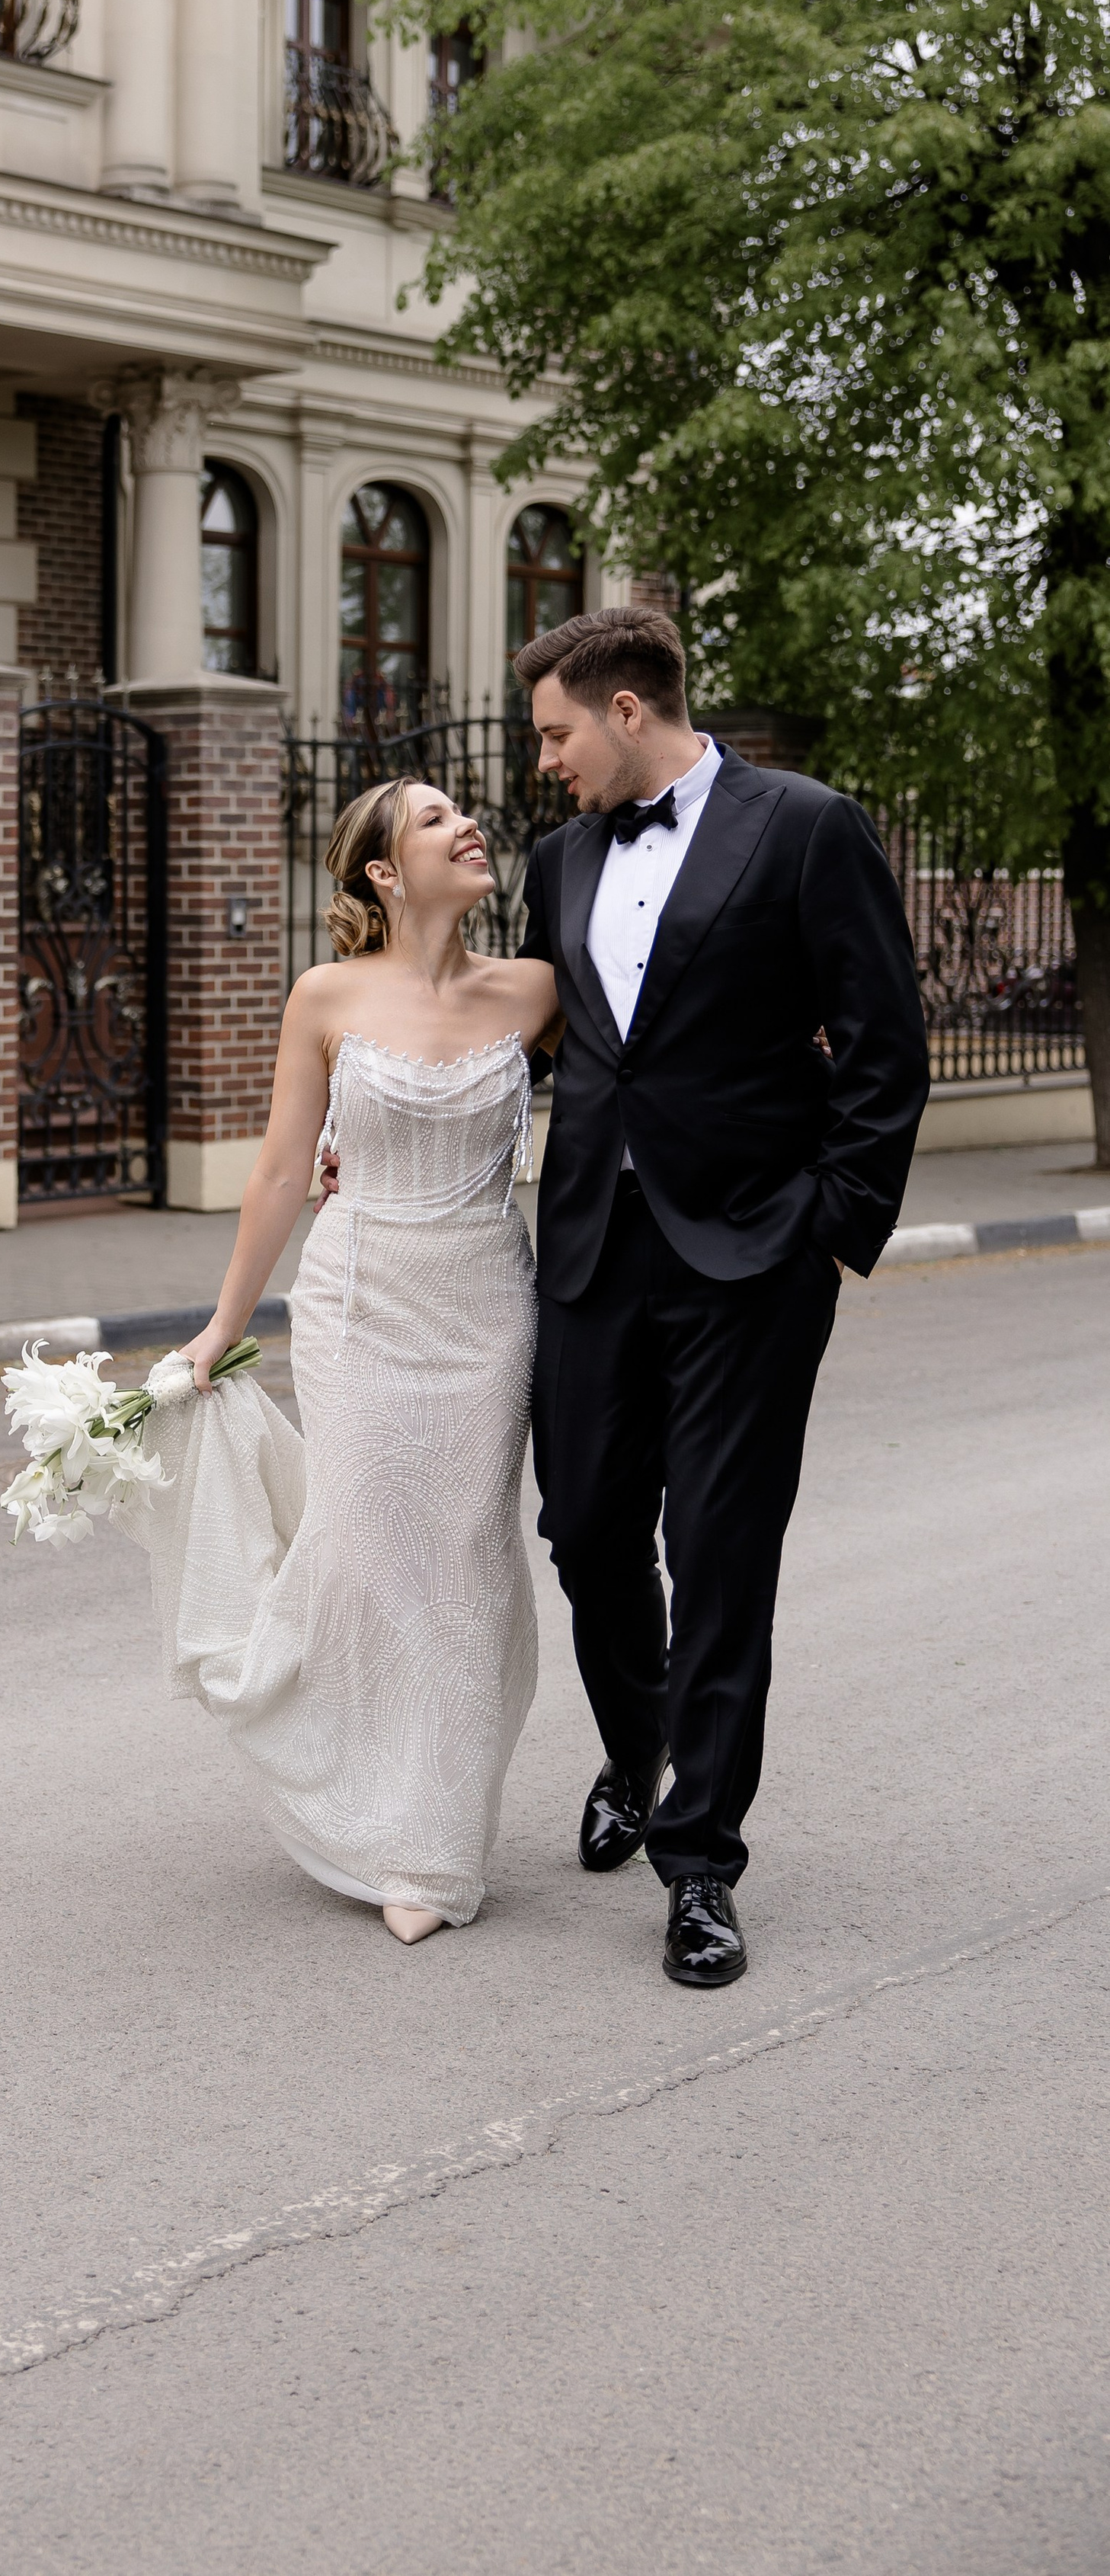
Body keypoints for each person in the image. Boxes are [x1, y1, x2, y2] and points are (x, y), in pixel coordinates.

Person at [511, 606, 929, 1986]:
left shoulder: (805, 826)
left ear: (627, 711)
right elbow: (545, 1052)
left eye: (559, 734)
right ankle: (640, 1752)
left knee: (722, 1553)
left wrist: (829, 1229)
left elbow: (885, 1047)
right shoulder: (557, 856)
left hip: (752, 1255)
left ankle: (698, 1859)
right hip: (588, 1251)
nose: (548, 763)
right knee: (581, 1528)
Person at [125, 775, 561, 1944]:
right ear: (380, 870)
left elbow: (654, 1073)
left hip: (485, 1302)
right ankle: (355, 1781)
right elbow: (279, 1171)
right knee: (370, 1552)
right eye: (434, 818)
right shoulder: (323, 995)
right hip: (358, 1301)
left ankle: (432, 1842)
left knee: (467, 1557)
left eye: (465, 811)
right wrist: (224, 1325)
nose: (467, 825)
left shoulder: (535, 990)